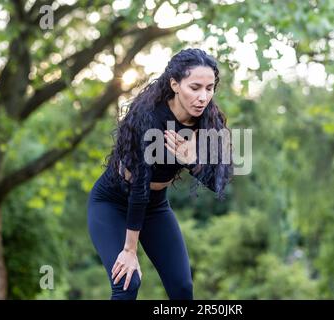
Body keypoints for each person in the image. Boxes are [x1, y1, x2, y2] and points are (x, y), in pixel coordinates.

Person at [87, 48, 233, 300]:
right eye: (195, 87)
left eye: (210, 88)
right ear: (175, 84)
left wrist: (192, 160)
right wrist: (129, 250)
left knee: (182, 288)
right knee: (126, 283)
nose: (203, 97)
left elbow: (219, 181)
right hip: (112, 201)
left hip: (155, 206)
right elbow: (140, 184)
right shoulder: (148, 115)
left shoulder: (208, 120)